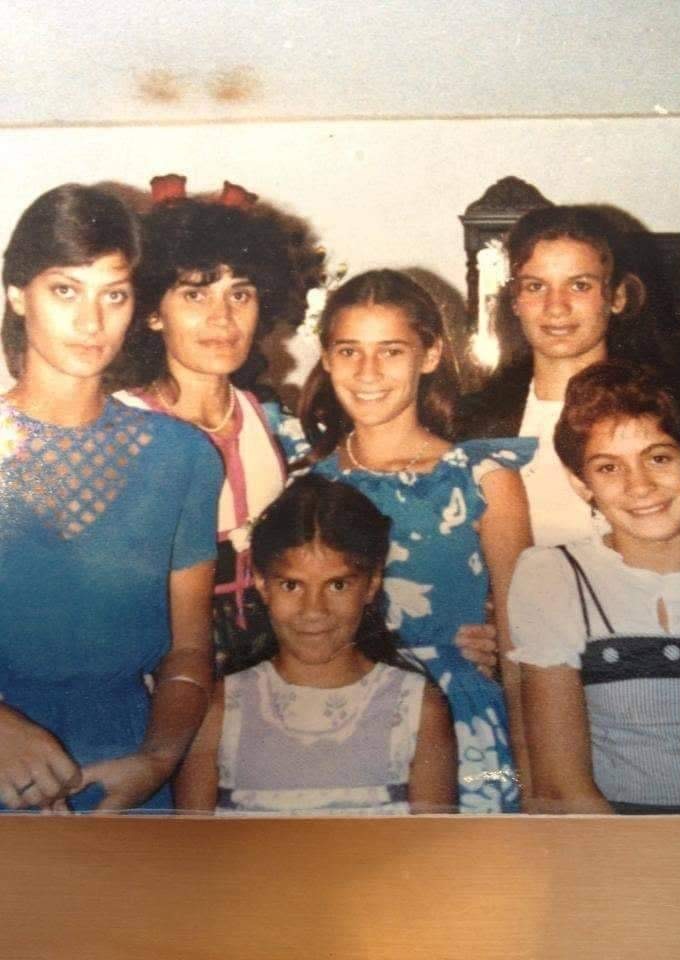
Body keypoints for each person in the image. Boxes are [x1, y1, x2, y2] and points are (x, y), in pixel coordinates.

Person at [0, 183, 222, 812]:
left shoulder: (180, 457)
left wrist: (156, 761)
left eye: (114, 294)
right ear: (18, 294)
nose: (91, 322)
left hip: (124, 771)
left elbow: (188, 648)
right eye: (65, 290)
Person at [297, 269, 534, 813]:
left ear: (429, 355)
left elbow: (524, 644)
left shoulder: (483, 478)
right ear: (327, 359)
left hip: (465, 729)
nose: (369, 372)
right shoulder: (309, 488)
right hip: (338, 723)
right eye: (349, 351)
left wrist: (532, 767)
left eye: (392, 351)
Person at [509, 360, 680, 814]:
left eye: (659, 458)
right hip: (607, 846)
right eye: (608, 468)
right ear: (580, 483)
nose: (639, 486)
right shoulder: (555, 576)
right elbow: (562, 786)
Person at [114, 178, 306, 676]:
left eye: (240, 294)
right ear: (154, 313)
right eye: (196, 295)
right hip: (155, 672)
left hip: (272, 668)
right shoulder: (117, 430)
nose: (223, 318)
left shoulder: (278, 426)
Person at [176, 476, 457, 815]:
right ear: (263, 584)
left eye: (337, 585)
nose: (314, 611)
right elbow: (194, 854)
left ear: (371, 584)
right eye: (292, 585)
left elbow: (434, 856)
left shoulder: (416, 707)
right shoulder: (219, 709)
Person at [460, 205, 665, 547]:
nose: (556, 307)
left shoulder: (659, 412)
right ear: (515, 300)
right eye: (536, 286)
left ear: (616, 296)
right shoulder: (475, 423)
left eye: (580, 285)